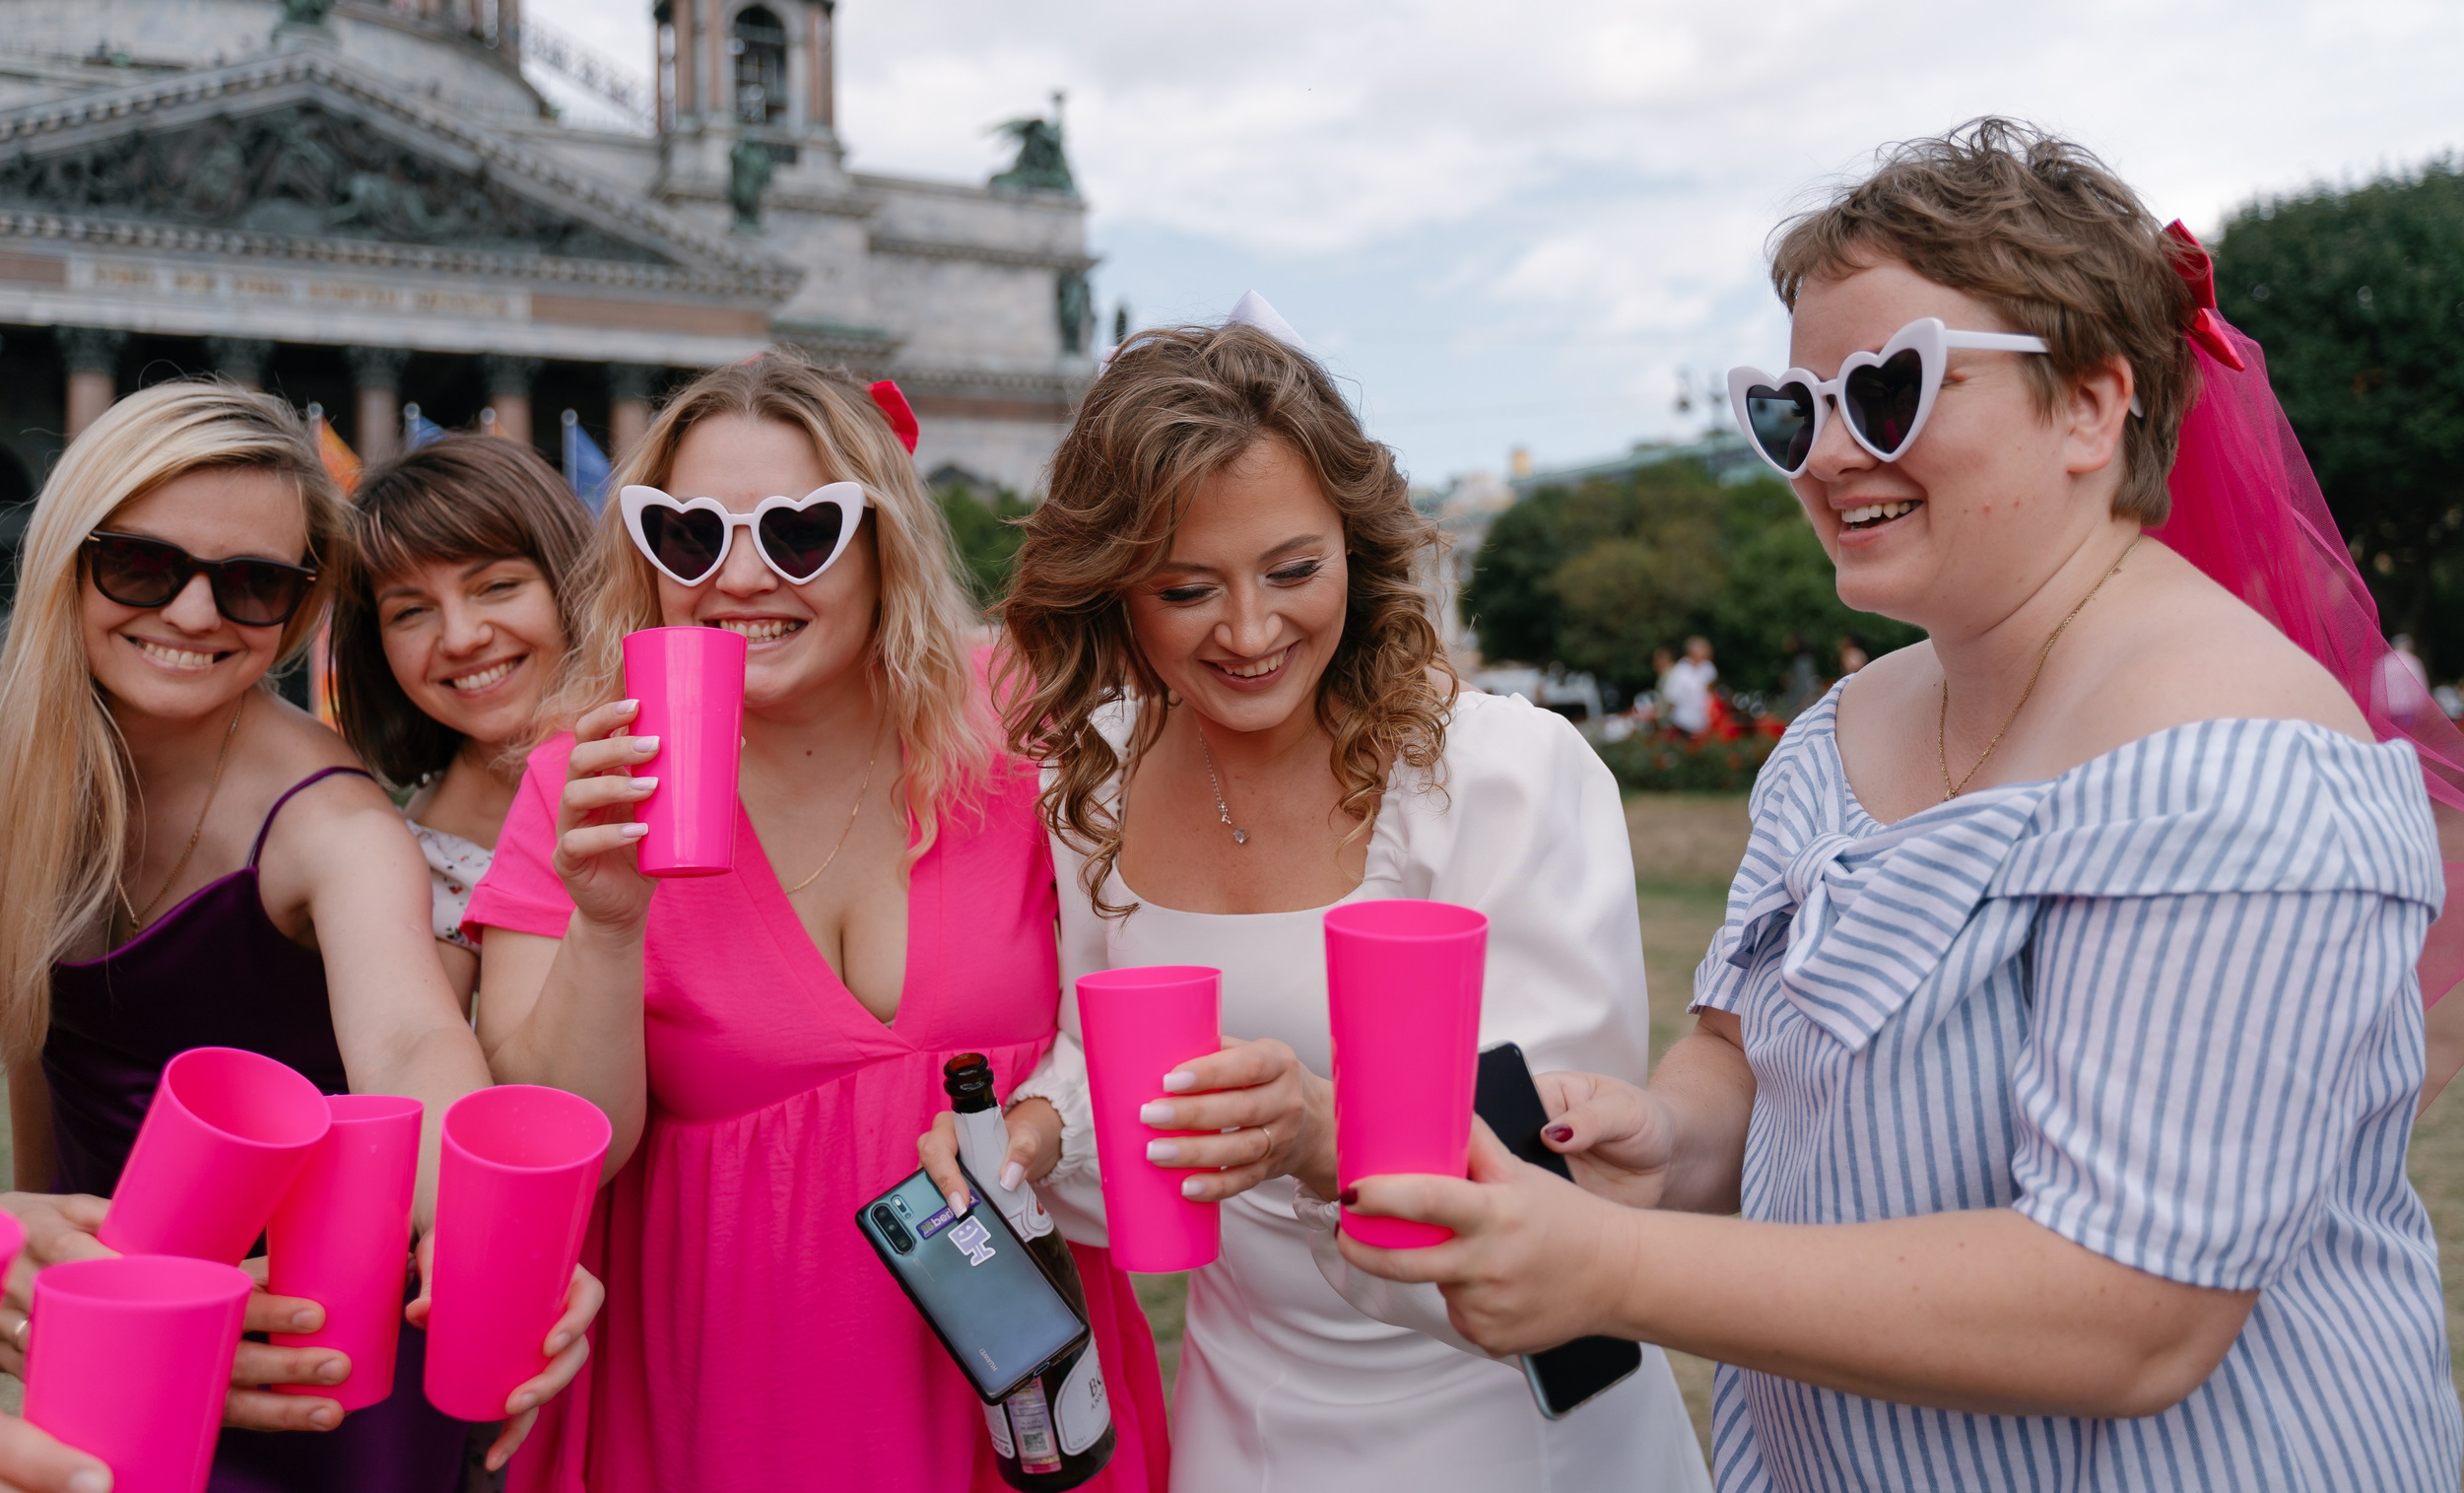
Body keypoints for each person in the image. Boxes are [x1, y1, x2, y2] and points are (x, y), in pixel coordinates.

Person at [1337, 120, 2464, 1491]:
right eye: (1792, 409)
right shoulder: (1841, 731)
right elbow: (1746, 1056)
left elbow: (2131, 1314)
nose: (1825, 456)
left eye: (1888, 391)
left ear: (2090, 405)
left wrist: (1612, 1265)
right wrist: (1665, 1142)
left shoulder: (2239, 762)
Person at [925, 299, 1704, 1492]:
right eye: (1186, 589)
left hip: (1508, 1411)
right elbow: (1108, 1047)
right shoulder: (1092, 779)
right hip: (1244, 1408)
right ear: (1114, 590)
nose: (1249, 631)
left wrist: (1316, 1137)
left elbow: (1563, 1182)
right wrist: (1038, 1130)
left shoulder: (1500, 776)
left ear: (1356, 543)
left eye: (1292, 570)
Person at [466, 356, 1167, 1493]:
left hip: (1023, 1388)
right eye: (690, 536)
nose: (740, 577)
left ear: (884, 541)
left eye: (800, 532)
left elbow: (1160, 974)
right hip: (736, 1402)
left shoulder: (1027, 717)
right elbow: (570, 1149)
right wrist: (607, 923)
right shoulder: (583, 783)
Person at [0, 381, 597, 1491]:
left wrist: (506, 1237)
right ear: (66, 560)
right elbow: (37, 1060)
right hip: (100, 1346)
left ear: (299, 606)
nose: (194, 615)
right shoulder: (20, 766)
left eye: (251, 583)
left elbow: (414, 1044)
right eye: (141, 565)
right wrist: (14, 1238)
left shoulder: (337, 826)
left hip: (321, 1368)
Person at [329, 434, 592, 1000]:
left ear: (570, 578)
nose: (460, 638)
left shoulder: (694, 744)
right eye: (411, 612)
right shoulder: (418, 869)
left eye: (496, 587)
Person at [1657, 637, 1716, 735]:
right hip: (1682, 722)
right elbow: (1671, 698)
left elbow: (1710, 691)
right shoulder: (1680, 671)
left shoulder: (1708, 668)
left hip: (1703, 722)